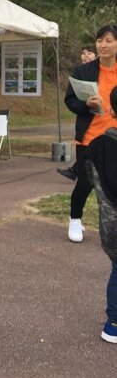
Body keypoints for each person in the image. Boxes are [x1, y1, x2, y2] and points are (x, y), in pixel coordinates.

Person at [64, 24, 117, 243]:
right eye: (99, 40)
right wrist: (86, 103)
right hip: (90, 137)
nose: (103, 45)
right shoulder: (83, 71)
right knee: (85, 182)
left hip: (115, 137)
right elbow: (70, 101)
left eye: (108, 41)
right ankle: (75, 218)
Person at [85, 85, 117, 343]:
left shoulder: (97, 145)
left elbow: (85, 176)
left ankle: (114, 324)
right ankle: (114, 324)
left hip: (108, 224)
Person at [58, 44, 98, 180]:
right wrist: (85, 104)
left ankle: (76, 170)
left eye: (89, 53)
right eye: (83, 53)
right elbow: (71, 99)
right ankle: (76, 170)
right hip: (86, 121)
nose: (85, 56)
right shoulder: (80, 72)